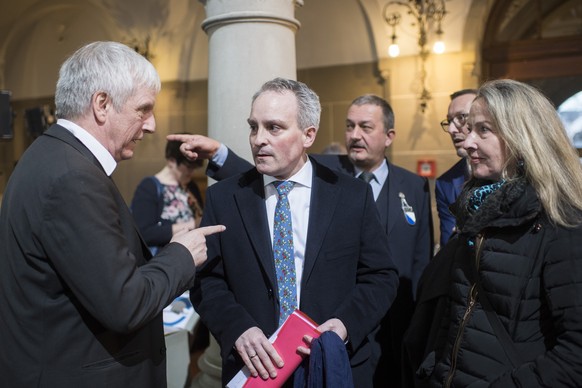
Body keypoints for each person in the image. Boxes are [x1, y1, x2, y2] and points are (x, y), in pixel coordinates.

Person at [0, 41, 225, 387]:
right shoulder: (71, 177)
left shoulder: (52, 156)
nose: (151, 126)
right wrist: (182, 253)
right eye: (143, 109)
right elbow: (125, 303)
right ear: (102, 104)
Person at [170, 93, 433, 387]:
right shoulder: (225, 198)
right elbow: (208, 281)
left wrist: (344, 325)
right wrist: (238, 329)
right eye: (253, 127)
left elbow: (381, 276)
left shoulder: (351, 196)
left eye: (274, 128)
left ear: (308, 135)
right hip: (255, 369)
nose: (258, 139)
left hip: (332, 366)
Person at [405, 79, 582, 386]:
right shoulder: (475, 211)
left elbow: (575, 355)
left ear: (523, 137)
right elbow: (456, 313)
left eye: (483, 129)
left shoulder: (562, 221)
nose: (467, 141)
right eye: (467, 127)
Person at [131, 136, 205, 254]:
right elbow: (143, 233)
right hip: (166, 260)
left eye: (195, 168)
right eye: (188, 167)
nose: (192, 172)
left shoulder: (191, 186)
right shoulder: (149, 186)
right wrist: (192, 225)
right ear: (171, 161)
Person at [435, 89, 476, 247]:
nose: (452, 130)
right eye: (449, 121)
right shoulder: (445, 183)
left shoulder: (513, 169)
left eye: (461, 117)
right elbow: (449, 244)